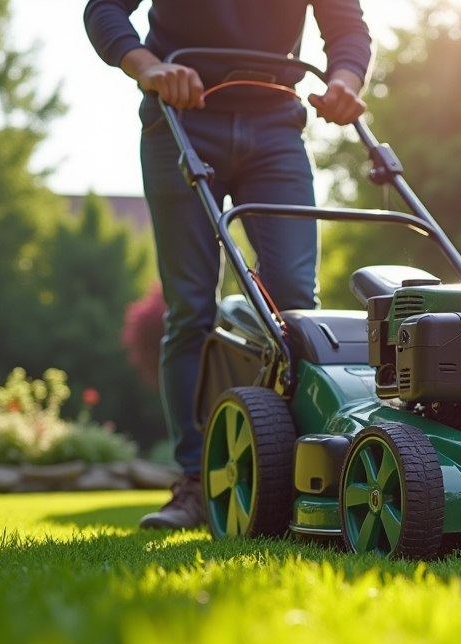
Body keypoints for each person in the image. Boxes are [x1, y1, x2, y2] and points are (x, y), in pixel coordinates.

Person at [84, 1, 371, 529]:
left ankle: (288, 474)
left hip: (276, 128)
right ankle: (197, 481)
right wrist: (150, 67)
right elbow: (104, 10)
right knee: (191, 306)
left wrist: (345, 79)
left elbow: (346, 25)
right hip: (182, 120)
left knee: (294, 302)